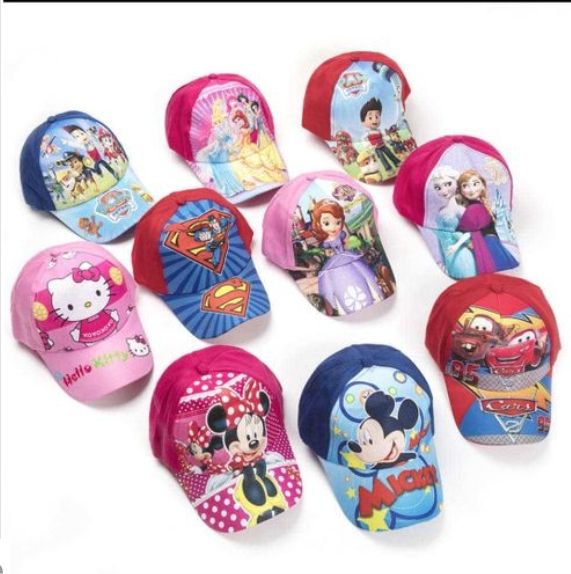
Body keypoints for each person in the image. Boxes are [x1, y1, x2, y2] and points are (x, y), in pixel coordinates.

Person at [452, 169, 518, 274]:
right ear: (461, 191)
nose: (471, 189)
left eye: (475, 184)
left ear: (483, 186)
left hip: (489, 247)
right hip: (491, 245)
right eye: (465, 186)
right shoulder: (476, 207)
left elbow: (461, 230)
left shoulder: (476, 207)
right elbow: (463, 230)